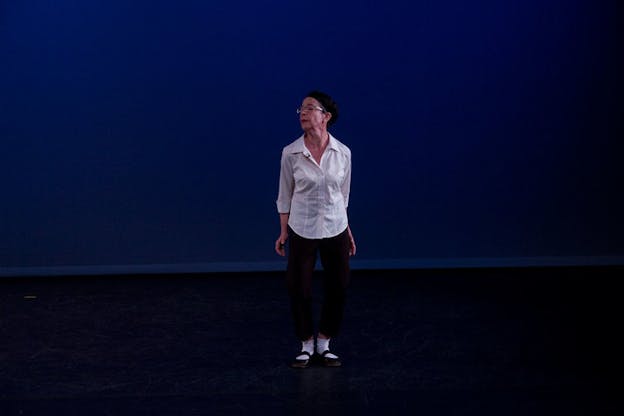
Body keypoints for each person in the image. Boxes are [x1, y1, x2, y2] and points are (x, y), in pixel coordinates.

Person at [275, 91, 356, 368]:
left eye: (310, 108)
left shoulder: (343, 153)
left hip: (336, 226)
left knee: (339, 285)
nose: (303, 113)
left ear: (326, 116)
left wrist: (348, 230)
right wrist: (284, 231)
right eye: (301, 109)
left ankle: (324, 341)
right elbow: (285, 195)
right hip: (302, 227)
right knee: (299, 287)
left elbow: (342, 195)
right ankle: (306, 343)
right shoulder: (291, 153)